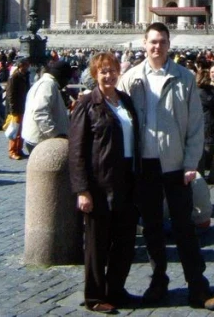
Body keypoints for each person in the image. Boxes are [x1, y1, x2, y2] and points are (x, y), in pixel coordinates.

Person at [118, 23, 214, 311]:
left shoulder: (184, 77)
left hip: (176, 164)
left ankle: (198, 287)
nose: (157, 47)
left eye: (162, 41)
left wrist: (191, 163)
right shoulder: (130, 79)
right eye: (153, 41)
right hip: (144, 166)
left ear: (168, 44)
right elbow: (119, 121)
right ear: (144, 43)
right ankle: (158, 281)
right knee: (151, 227)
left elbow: (195, 125)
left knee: (184, 227)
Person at [69, 52, 140, 314]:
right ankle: (95, 296)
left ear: (119, 72)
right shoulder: (87, 104)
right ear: (95, 74)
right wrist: (82, 190)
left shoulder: (126, 102)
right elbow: (76, 150)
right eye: (103, 71)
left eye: (112, 71)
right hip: (99, 182)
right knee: (98, 243)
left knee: (125, 240)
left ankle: (116, 290)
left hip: (127, 178)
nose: (108, 75)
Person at [21, 60, 72, 154]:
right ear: (61, 76)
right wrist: (56, 135)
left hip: (41, 139)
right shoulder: (48, 85)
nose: (66, 83)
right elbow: (40, 112)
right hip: (42, 141)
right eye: (67, 80)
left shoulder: (45, 83)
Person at [5, 57, 30, 160]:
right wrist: (12, 109)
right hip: (16, 108)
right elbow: (10, 94)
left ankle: (19, 149)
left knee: (22, 130)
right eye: (26, 65)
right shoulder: (14, 77)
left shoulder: (25, 76)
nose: (28, 67)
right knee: (15, 130)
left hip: (23, 106)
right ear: (21, 66)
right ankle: (12, 151)